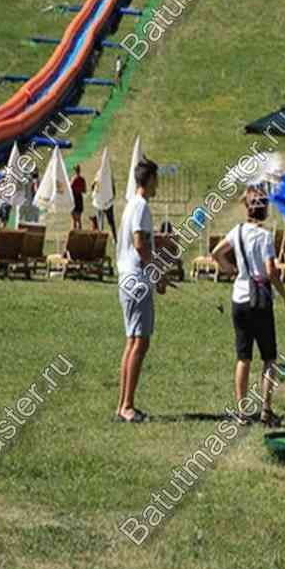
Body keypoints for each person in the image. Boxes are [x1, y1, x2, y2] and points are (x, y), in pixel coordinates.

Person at [212, 186, 285, 427]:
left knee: (243, 357)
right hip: (261, 300)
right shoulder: (265, 236)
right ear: (264, 210)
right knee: (269, 358)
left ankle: (241, 413)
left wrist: (233, 271)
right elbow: (270, 272)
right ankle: (266, 411)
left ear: (247, 209)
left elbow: (216, 254)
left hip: (239, 299)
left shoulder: (236, 231)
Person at [114, 158, 164, 423]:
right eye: (157, 179)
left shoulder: (130, 205)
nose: (159, 184)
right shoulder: (142, 206)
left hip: (126, 278)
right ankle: (127, 406)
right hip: (137, 280)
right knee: (140, 343)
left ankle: (123, 404)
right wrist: (158, 274)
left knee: (132, 342)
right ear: (150, 179)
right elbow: (140, 245)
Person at [71, 165, 86, 230]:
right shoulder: (82, 179)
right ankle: (80, 232)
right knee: (79, 219)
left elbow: (70, 188)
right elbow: (84, 190)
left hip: (74, 199)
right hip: (80, 199)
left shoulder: (74, 179)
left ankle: (75, 234)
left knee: (74, 219)